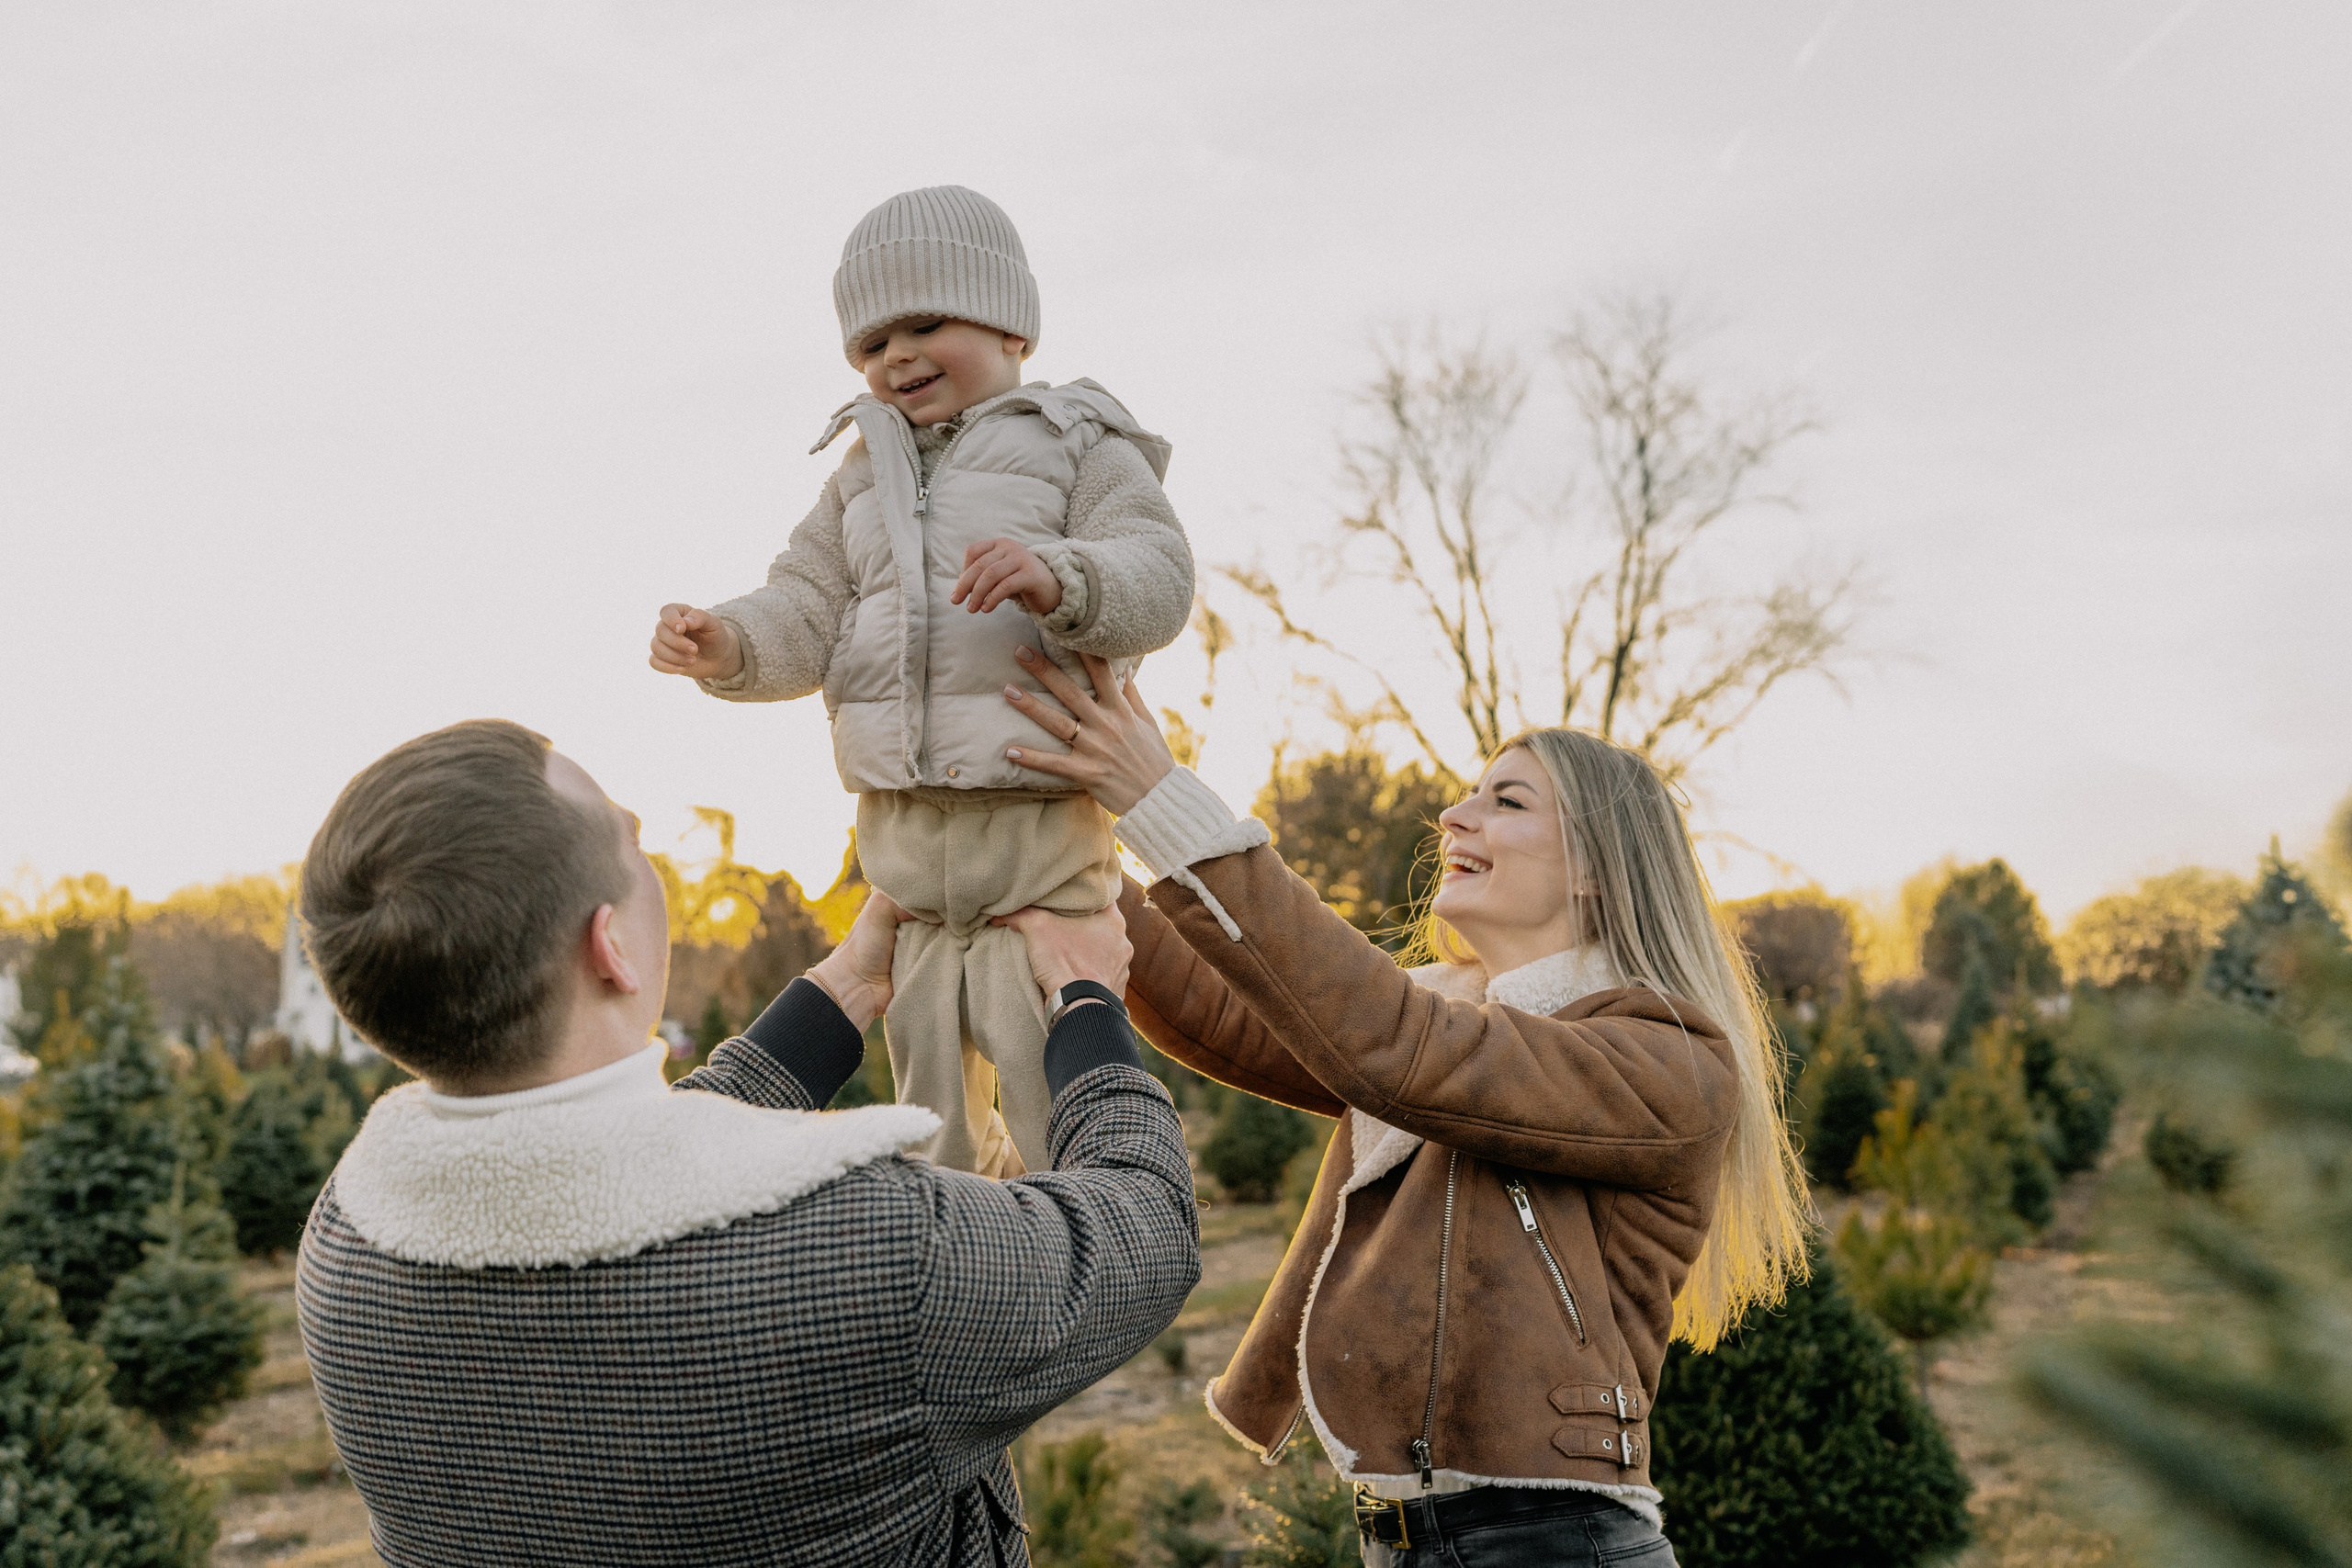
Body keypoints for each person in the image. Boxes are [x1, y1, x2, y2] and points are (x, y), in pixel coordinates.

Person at [291, 718, 1199, 1567]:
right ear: (610, 947)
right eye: (631, 841)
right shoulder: (872, 1251)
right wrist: (1086, 1008)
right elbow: (1139, 1231)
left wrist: (839, 993)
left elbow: (627, 1172)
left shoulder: (346, 1248)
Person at [1000, 648, 1815, 1567]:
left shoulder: (1667, 1061)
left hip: (1551, 1546)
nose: (1451, 815)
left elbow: (1395, 1049)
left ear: (1599, 869)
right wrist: (1070, 846)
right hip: (1405, 1544)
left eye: (1506, 801)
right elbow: (1228, 1011)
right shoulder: (1449, 1023)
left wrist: (1161, 799)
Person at [647, 185, 1193, 1179]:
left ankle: (1084, 1240)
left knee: (1047, 1085)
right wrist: (729, 642)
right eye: (870, 343)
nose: (895, 357)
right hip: (906, 867)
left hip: (1038, 839)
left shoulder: (1080, 441)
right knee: (928, 1116)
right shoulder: (860, 475)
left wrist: (1061, 574)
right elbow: (806, 601)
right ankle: (959, 1271)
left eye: (925, 324)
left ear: (1011, 326)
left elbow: (1157, 573)